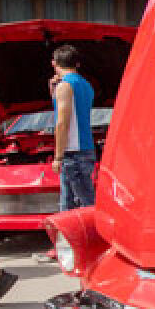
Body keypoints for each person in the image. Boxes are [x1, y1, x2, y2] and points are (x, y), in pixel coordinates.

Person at [49, 44, 96, 210]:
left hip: (73, 154)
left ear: (54, 63)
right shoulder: (86, 85)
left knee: (85, 206)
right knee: (68, 207)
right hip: (85, 149)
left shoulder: (65, 86)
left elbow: (62, 123)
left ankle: (97, 236)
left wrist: (58, 157)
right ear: (77, 64)